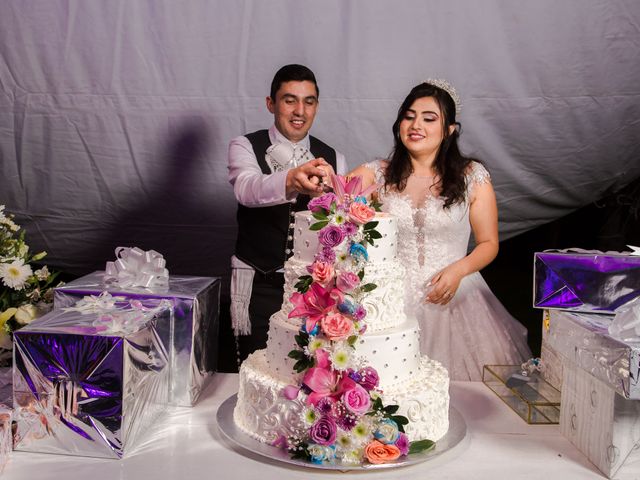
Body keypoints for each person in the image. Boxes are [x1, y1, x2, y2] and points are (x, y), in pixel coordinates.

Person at [350, 80, 530, 380]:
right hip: (392, 301)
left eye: (429, 118)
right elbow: (333, 200)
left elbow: (488, 243)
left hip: (455, 296)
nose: (415, 124)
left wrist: (459, 271)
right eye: (408, 116)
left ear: (449, 130)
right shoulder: (377, 173)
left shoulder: (472, 176)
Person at [228, 64, 347, 363]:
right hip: (258, 284)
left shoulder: (335, 158)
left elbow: (339, 224)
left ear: (317, 106)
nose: (299, 110)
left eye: (308, 101)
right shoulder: (244, 145)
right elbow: (247, 189)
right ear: (271, 103)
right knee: (256, 370)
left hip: (311, 291)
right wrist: (293, 180)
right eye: (289, 99)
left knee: (304, 373)